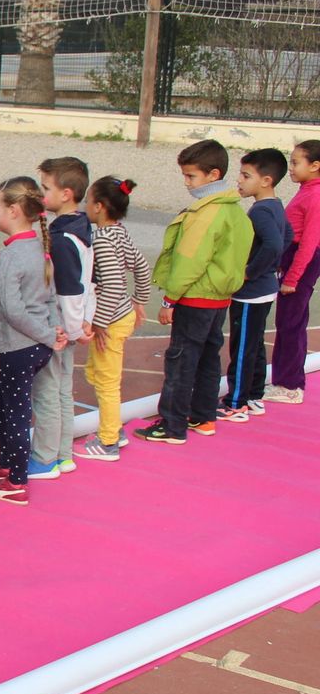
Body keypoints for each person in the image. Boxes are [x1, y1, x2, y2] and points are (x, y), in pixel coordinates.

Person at [135, 141, 254, 444]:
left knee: (180, 361)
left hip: (195, 297)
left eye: (191, 176)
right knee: (208, 359)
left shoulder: (206, 213)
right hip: (219, 298)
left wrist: (169, 299)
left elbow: (190, 261)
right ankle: (204, 416)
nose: (187, 183)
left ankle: (172, 425)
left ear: (213, 174)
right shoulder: (236, 212)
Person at [0, 178, 67, 505]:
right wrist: (52, 330)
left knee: (15, 411)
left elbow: (14, 311)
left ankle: (16, 481)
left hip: (20, 347)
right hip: (34, 344)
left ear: (13, 211)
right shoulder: (39, 248)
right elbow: (50, 297)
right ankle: (6, 464)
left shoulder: (12, 255)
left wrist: (49, 334)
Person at [27, 157, 95, 479]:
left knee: (47, 393)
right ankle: (63, 454)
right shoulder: (81, 227)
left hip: (59, 328)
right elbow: (88, 283)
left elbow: (70, 289)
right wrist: (84, 321)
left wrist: (69, 330)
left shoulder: (63, 238)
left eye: (45, 188)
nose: (41, 194)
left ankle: (44, 459)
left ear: (66, 194)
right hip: (71, 324)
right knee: (62, 391)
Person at [77, 177, 152, 460]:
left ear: (99, 206)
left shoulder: (102, 240)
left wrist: (100, 323)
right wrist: (139, 301)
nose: (84, 206)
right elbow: (142, 267)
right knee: (95, 373)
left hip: (111, 321)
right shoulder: (119, 232)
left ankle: (109, 441)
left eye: (87, 201)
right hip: (120, 315)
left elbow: (112, 286)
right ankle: (113, 428)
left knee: (107, 382)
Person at [222, 150, 293, 421]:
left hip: (251, 292)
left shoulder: (260, 210)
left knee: (242, 348)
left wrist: (250, 272)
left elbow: (275, 244)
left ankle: (236, 403)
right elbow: (287, 236)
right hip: (265, 290)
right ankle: (253, 396)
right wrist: (271, 266)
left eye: (245, 175)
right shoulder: (275, 205)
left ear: (266, 180)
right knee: (254, 344)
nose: (239, 180)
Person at [266, 139, 320, 405]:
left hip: (302, 262)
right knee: (288, 322)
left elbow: (309, 242)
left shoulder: (316, 196)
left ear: (315, 165)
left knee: (291, 324)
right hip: (292, 259)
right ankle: (284, 380)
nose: (291, 167)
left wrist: (293, 278)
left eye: (296, 162)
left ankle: (290, 386)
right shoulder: (306, 190)